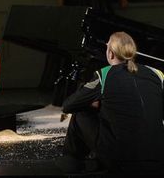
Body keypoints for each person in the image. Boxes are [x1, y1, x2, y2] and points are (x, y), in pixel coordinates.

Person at [58, 32, 164, 174]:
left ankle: (71, 162)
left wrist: (96, 104)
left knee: (81, 112)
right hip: (159, 160)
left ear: (111, 53)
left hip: (123, 162)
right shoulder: (157, 73)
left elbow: (68, 105)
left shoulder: (105, 74)